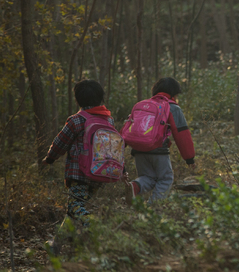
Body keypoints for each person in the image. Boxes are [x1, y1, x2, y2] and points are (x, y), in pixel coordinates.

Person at [41, 80, 114, 253]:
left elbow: (61, 142)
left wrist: (50, 158)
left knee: (75, 207)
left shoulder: (77, 120)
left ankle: (94, 225)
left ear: (78, 100)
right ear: (100, 98)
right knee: (72, 211)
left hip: (79, 174)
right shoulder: (108, 120)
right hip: (100, 174)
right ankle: (57, 246)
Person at [125, 77, 196, 202]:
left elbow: (127, 128)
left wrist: (120, 149)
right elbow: (182, 134)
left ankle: (135, 185)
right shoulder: (172, 107)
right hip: (158, 150)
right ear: (174, 93)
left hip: (138, 150)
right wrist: (189, 158)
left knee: (147, 177)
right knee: (165, 179)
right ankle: (153, 209)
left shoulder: (143, 105)